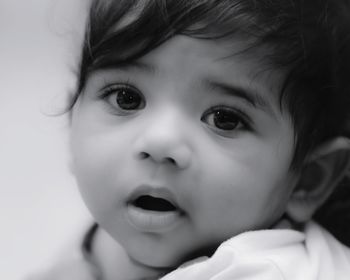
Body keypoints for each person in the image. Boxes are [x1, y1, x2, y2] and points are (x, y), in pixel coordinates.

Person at [32, 0, 350, 279]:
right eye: (126, 98)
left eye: (224, 119)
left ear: (308, 180)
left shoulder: (262, 270)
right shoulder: (109, 236)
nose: (160, 142)